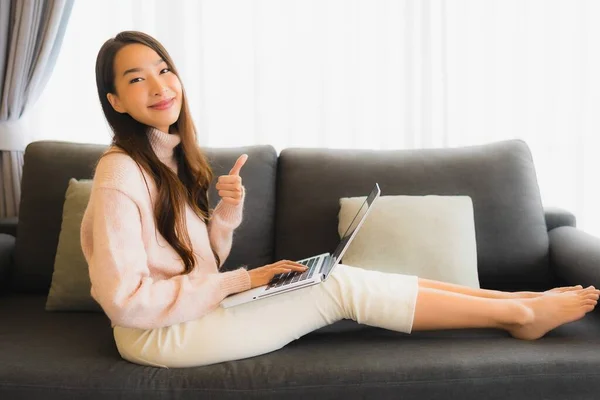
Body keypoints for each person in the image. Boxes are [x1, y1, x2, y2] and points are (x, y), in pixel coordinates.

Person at [81, 30, 599, 369]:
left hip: (186, 314)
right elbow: (124, 300)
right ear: (116, 102)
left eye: (163, 69)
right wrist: (242, 281)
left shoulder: (168, 160)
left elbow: (199, 266)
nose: (158, 84)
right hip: (154, 337)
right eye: (136, 79)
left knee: (327, 273)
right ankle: (518, 315)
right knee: (335, 288)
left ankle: (517, 303)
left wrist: (225, 213)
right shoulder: (119, 175)